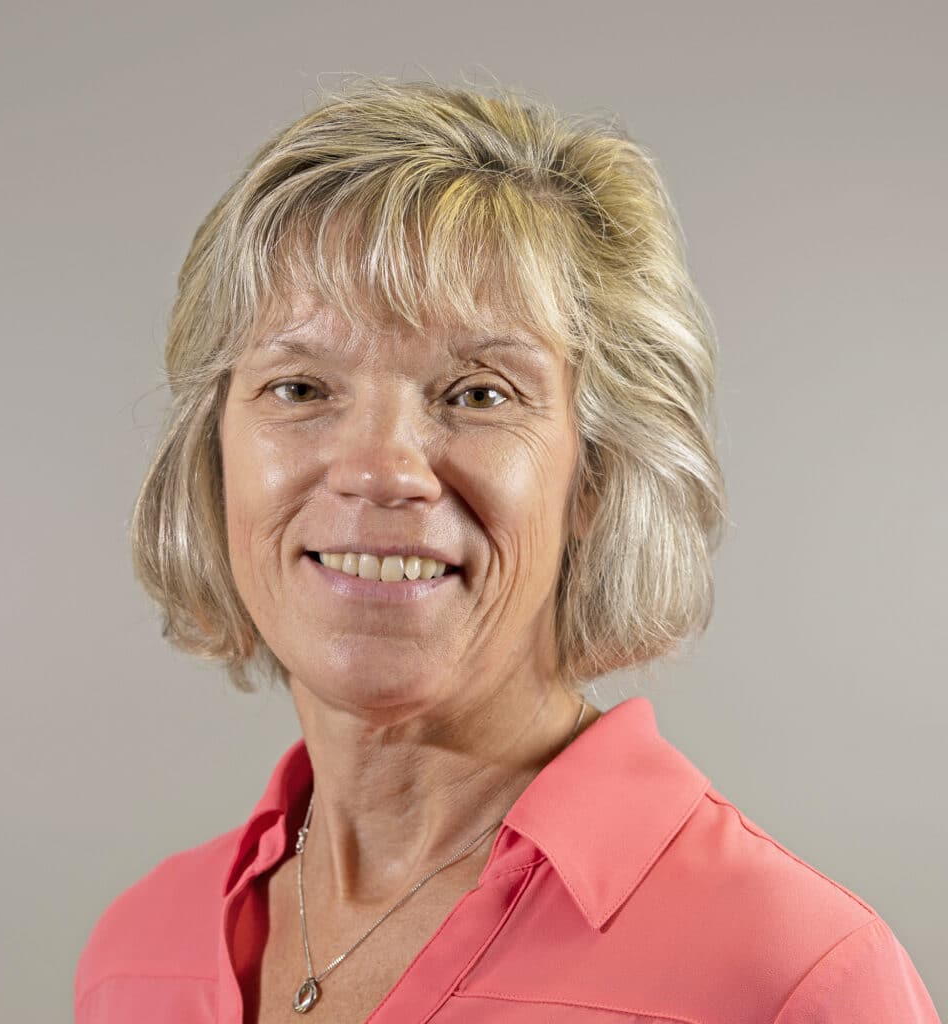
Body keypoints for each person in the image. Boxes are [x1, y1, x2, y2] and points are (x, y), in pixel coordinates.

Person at [74, 77, 940, 1023]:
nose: (378, 470)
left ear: (597, 476)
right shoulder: (137, 948)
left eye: (478, 393)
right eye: (300, 388)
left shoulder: (794, 977)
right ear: (214, 453)